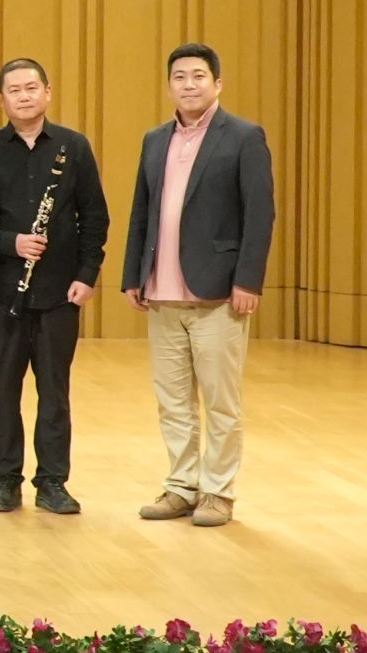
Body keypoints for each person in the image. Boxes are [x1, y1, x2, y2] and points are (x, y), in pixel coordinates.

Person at [122, 43, 274, 529]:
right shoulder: (154, 139)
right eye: (180, 77)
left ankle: (218, 492)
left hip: (219, 293)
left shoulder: (244, 137)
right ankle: (181, 486)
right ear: (169, 85)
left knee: (220, 402)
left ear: (217, 83)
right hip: (162, 291)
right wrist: (133, 274)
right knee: (173, 401)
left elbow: (260, 214)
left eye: (198, 76)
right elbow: (141, 210)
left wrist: (248, 280)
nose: (189, 85)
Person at [0, 57, 109, 515]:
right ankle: (6, 480)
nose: (24, 96)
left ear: (48, 92)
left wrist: (86, 274)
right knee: (3, 388)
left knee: (54, 390)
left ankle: (52, 482)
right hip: (5, 288)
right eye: (15, 90)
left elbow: (95, 217)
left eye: (32, 87)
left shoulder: (73, 147)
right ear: (1, 99)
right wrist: (11, 242)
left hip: (60, 291)